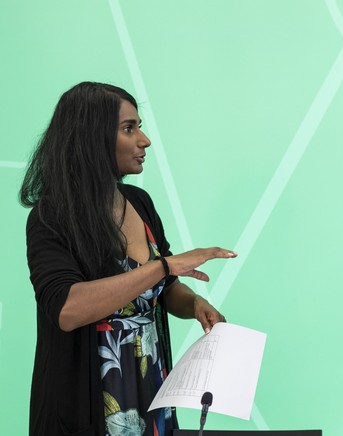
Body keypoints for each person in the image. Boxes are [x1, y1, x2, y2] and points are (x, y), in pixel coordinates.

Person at [20, 82, 237, 436]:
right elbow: (66, 309)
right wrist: (164, 266)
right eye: (129, 128)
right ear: (92, 138)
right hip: (86, 406)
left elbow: (164, 288)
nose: (145, 140)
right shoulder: (52, 215)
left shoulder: (140, 202)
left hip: (150, 390)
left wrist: (194, 303)